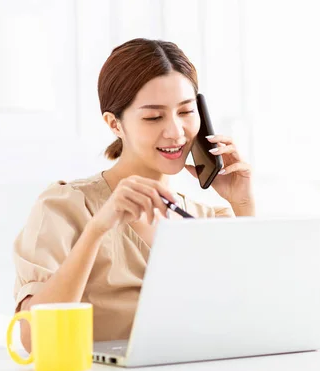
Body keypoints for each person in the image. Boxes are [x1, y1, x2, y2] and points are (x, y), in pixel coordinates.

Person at [13, 38, 255, 351]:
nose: (176, 132)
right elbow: (34, 339)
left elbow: (258, 318)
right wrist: (97, 230)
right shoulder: (64, 206)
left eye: (186, 112)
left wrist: (243, 203)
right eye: (154, 117)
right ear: (114, 123)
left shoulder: (208, 217)